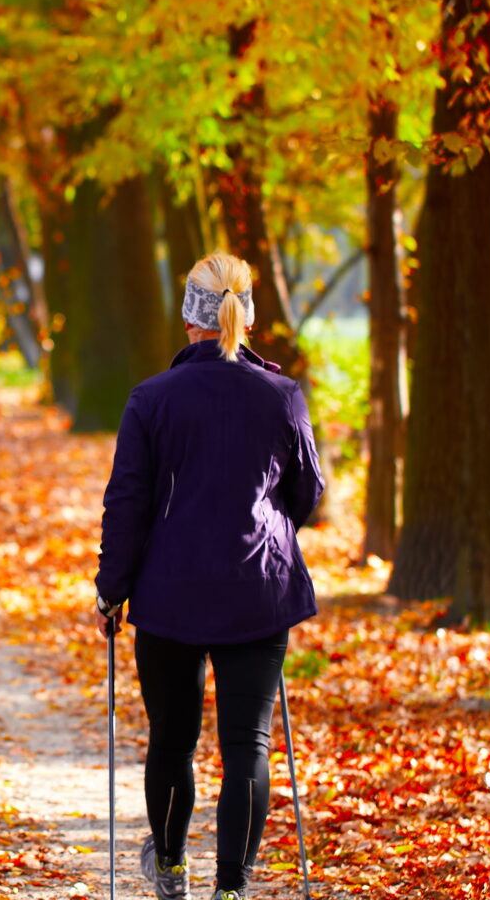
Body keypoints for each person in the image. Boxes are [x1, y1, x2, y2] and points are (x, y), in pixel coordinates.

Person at [93, 253, 323, 900]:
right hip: (260, 588)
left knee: (171, 738)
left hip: (170, 593)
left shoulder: (153, 398)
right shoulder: (282, 395)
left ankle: (169, 867)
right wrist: (271, 531)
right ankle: (233, 888)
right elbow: (308, 492)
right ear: (246, 314)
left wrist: (113, 587)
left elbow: (127, 502)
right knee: (247, 742)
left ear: (188, 316)